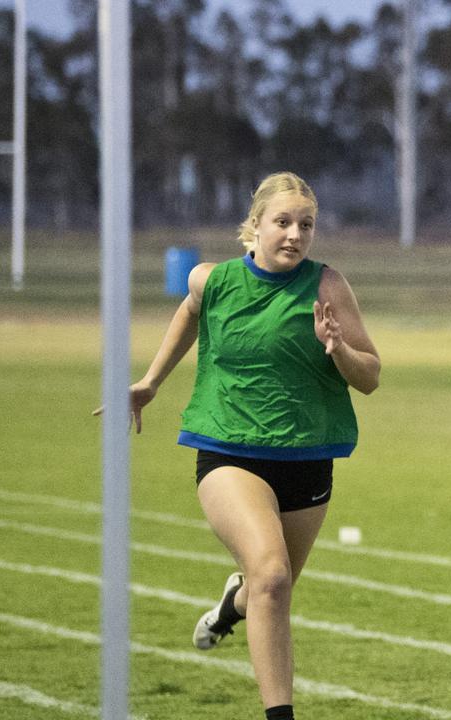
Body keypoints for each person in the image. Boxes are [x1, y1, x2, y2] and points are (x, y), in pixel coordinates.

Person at [97, 172, 380, 720]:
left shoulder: (328, 287)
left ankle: (232, 605)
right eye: (283, 222)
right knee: (272, 576)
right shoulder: (213, 280)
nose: (295, 234)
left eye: (306, 225)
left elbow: (369, 377)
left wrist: (337, 348)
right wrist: (151, 382)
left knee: (266, 589)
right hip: (229, 450)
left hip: (306, 455)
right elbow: (189, 313)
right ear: (255, 226)